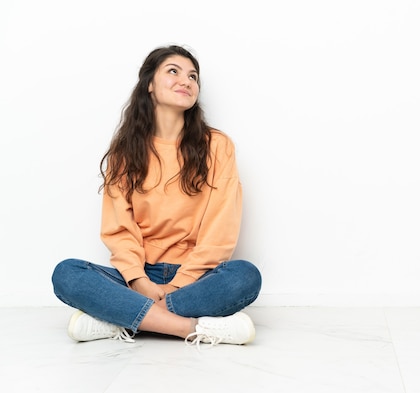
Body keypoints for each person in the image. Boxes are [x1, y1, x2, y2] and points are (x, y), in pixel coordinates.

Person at [51, 45, 262, 347]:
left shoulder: (217, 146)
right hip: (139, 275)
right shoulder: (126, 151)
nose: (186, 81)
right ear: (149, 84)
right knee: (67, 274)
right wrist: (138, 281)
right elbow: (118, 228)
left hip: (196, 276)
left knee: (245, 276)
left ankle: (119, 319)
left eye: (193, 76)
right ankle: (189, 328)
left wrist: (179, 283)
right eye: (173, 71)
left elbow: (220, 230)